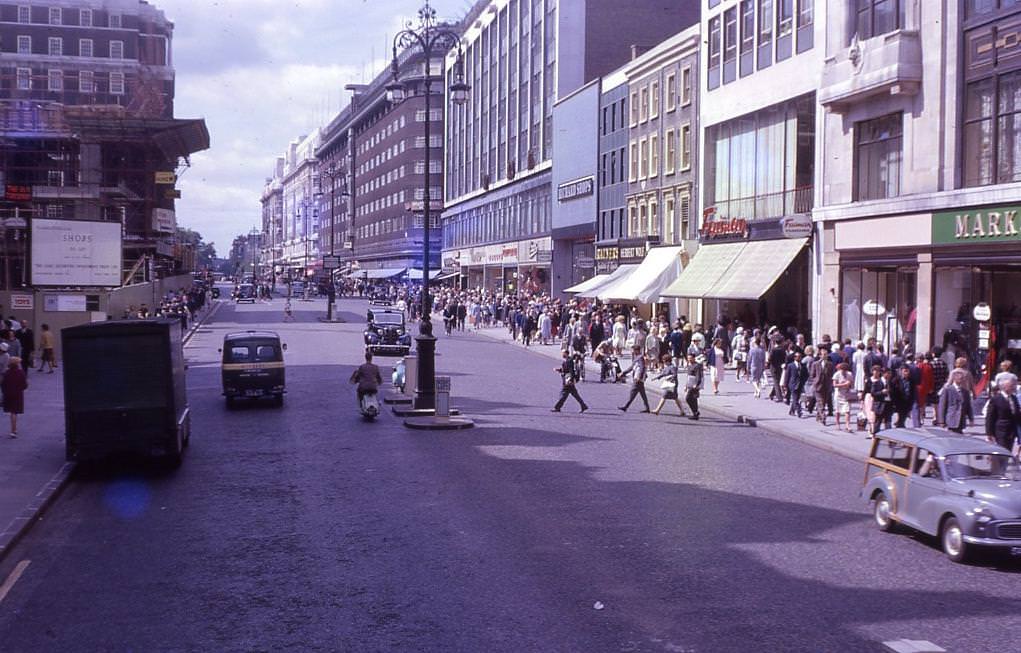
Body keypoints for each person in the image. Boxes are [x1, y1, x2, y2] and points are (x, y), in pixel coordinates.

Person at [985, 376, 1020, 450]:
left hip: (1012, 429)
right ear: (1005, 387)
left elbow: (1017, 413)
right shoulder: (996, 399)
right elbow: (990, 417)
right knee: (1003, 449)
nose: (1014, 387)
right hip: (1001, 430)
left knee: (1009, 449)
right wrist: (989, 433)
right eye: (1012, 386)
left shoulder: (1013, 398)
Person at [938, 368, 974, 433]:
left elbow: (968, 406)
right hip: (951, 419)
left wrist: (971, 418)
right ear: (954, 378)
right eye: (960, 379)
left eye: (963, 379)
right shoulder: (947, 390)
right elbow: (942, 406)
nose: (962, 380)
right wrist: (941, 421)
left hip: (961, 420)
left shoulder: (965, 391)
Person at [618, 346, 650, 413]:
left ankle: (626, 406)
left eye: (633, 350)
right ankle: (647, 408)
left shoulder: (640, 358)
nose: (631, 352)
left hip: (637, 378)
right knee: (642, 394)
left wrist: (640, 377)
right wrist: (623, 373)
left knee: (633, 392)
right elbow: (631, 368)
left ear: (637, 350)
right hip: (638, 378)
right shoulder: (637, 358)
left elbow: (642, 368)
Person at [2, 357, 26, 438]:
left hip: (8, 394)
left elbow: (3, 384)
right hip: (17, 395)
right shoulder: (20, 372)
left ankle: (14, 430)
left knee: (11, 412)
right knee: (14, 412)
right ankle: (13, 430)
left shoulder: (7, 373)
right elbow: (24, 385)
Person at [810, 347, 834, 425]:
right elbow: (812, 374)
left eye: (826, 354)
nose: (824, 356)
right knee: (820, 402)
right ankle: (823, 417)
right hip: (818, 386)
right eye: (823, 354)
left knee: (823, 402)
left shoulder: (830, 364)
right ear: (820, 355)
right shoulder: (816, 364)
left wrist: (830, 383)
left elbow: (831, 374)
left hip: (826, 386)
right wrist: (815, 381)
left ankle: (818, 416)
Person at [891, 365, 917, 429]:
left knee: (903, 417)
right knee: (901, 417)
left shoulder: (911, 380)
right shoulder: (896, 380)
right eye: (905, 371)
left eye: (907, 371)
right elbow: (893, 391)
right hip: (899, 401)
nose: (906, 373)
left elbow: (913, 392)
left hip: (908, 401)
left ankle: (900, 424)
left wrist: (912, 401)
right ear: (901, 371)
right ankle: (900, 426)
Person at [832, 362, 854, 431]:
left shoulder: (849, 374)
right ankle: (837, 424)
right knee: (837, 410)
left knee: (847, 410)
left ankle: (847, 425)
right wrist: (844, 384)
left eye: (845, 370)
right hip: (838, 394)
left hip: (846, 394)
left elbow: (852, 384)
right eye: (842, 370)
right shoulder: (837, 374)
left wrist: (849, 384)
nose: (843, 371)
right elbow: (834, 385)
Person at [785, 352, 808, 417]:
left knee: (797, 399)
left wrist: (803, 381)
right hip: (792, 384)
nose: (799, 358)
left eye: (800, 357)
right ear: (795, 357)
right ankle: (799, 411)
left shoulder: (803, 365)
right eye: (798, 357)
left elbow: (806, 375)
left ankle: (791, 411)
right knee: (795, 398)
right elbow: (787, 375)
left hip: (800, 384)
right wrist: (785, 385)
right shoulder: (790, 365)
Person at [683, 352, 703, 420]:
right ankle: (695, 413)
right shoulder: (689, 365)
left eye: (690, 358)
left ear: (694, 358)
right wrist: (686, 385)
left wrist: (696, 384)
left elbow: (698, 376)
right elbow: (688, 376)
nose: (689, 360)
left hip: (695, 384)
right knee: (694, 399)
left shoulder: (697, 366)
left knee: (688, 398)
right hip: (690, 383)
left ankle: (695, 412)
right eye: (688, 358)